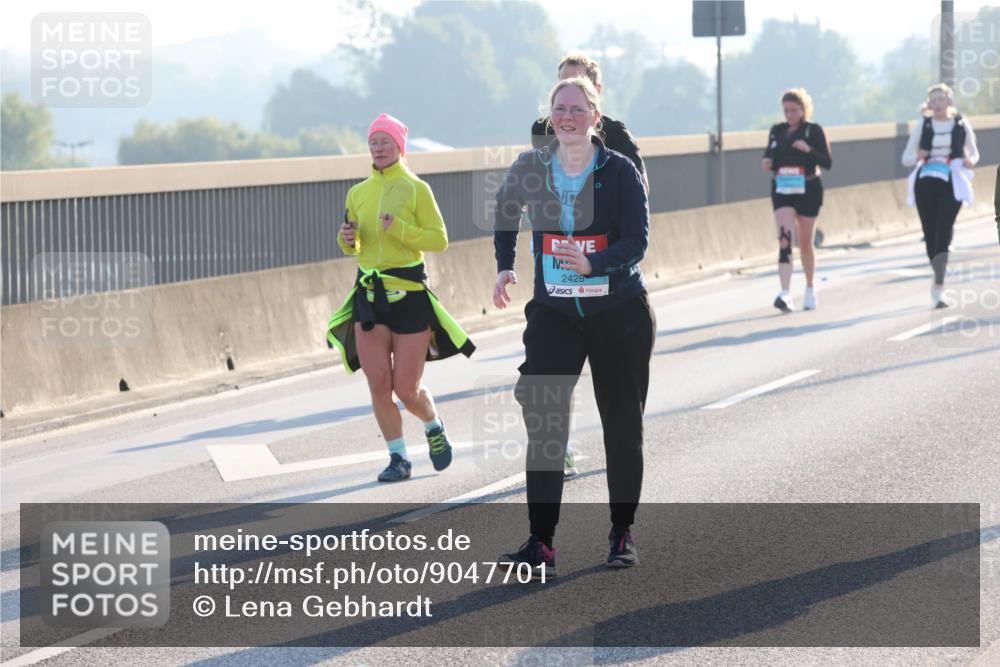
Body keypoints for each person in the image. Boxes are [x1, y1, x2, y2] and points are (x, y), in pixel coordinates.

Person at [494, 76, 655, 577]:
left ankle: (621, 531)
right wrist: (505, 264)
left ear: (595, 117)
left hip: (618, 313)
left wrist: (595, 263)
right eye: (559, 108)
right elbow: (505, 210)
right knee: (545, 424)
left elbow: (637, 240)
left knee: (621, 428)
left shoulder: (620, 171)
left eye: (577, 109)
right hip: (556, 314)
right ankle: (541, 542)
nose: (567, 116)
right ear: (550, 115)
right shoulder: (532, 165)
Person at [326, 113, 475, 482]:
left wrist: (402, 228)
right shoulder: (357, 193)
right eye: (373, 142)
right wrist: (348, 239)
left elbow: (439, 239)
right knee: (378, 384)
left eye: (385, 142)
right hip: (369, 298)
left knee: (406, 390)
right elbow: (356, 246)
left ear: (399, 147)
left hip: (409, 298)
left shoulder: (416, 189)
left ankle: (433, 424)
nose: (378, 148)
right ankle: (398, 458)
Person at [532, 53, 647, 480]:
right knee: (553, 371)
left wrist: (601, 256)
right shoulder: (542, 132)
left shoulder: (617, 136)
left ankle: (622, 437)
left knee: (617, 390)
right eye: (562, 86)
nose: (567, 102)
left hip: (609, 274)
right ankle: (557, 442)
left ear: (595, 95)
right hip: (556, 270)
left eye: (578, 85)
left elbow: (639, 201)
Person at [901, 83, 980, 307]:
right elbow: (906, 158)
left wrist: (969, 161)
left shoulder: (961, 123)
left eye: (941, 99)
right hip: (926, 180)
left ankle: (939, 286)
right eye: (933, 100)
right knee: (930, 232)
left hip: (951, 180)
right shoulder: (924, 125)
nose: (937, 104)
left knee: (944, 230)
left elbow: (974, 152)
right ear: (929, 104)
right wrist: (919, 155)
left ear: (949, 102)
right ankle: (936, 269)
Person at [532, 52, 649, 194]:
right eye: (563, 84)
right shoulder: (542, 129)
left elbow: (641, 188)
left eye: (579, 83)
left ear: (597, 89)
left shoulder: (616, 133)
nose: (570, 89)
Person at [761, 88, 832, 312]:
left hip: (808, 187)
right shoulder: (777, 131)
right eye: (786, 110)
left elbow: (827, 162)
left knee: (805, 243)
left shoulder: (813, 130)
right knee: (784, 239)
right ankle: (785, 293)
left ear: (803, 109)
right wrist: (767, 162)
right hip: (783, 188)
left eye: (794, 110)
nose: (789, 115)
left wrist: (808, 149)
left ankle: (810, 287)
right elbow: (769, 155)